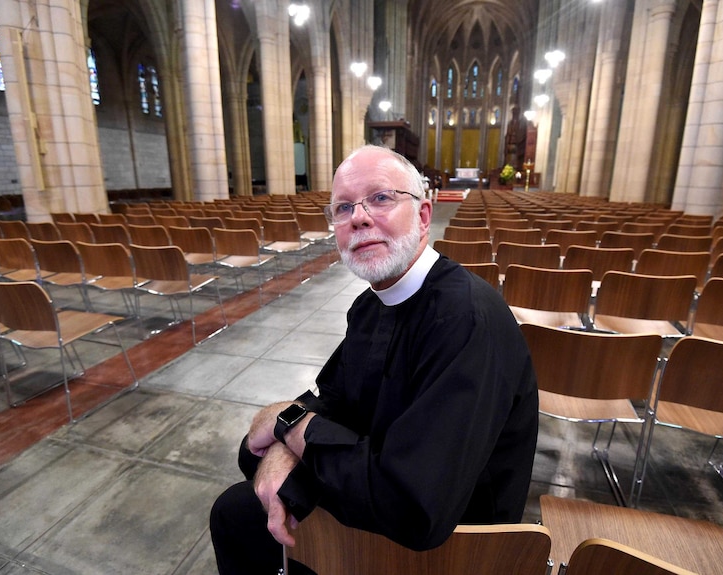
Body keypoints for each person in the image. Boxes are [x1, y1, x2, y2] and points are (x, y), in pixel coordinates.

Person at [209, 145, 538, 575]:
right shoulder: (371, 305)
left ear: (423, 216)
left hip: (452, 547)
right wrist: (283, 448)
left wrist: (289, 424)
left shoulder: (468, 320)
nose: (359, 217)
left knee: (239, 512)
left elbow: (416, 508)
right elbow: (333, 401)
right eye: (343, 208)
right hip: (382, 484)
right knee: (247, 483)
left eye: (381, 198)